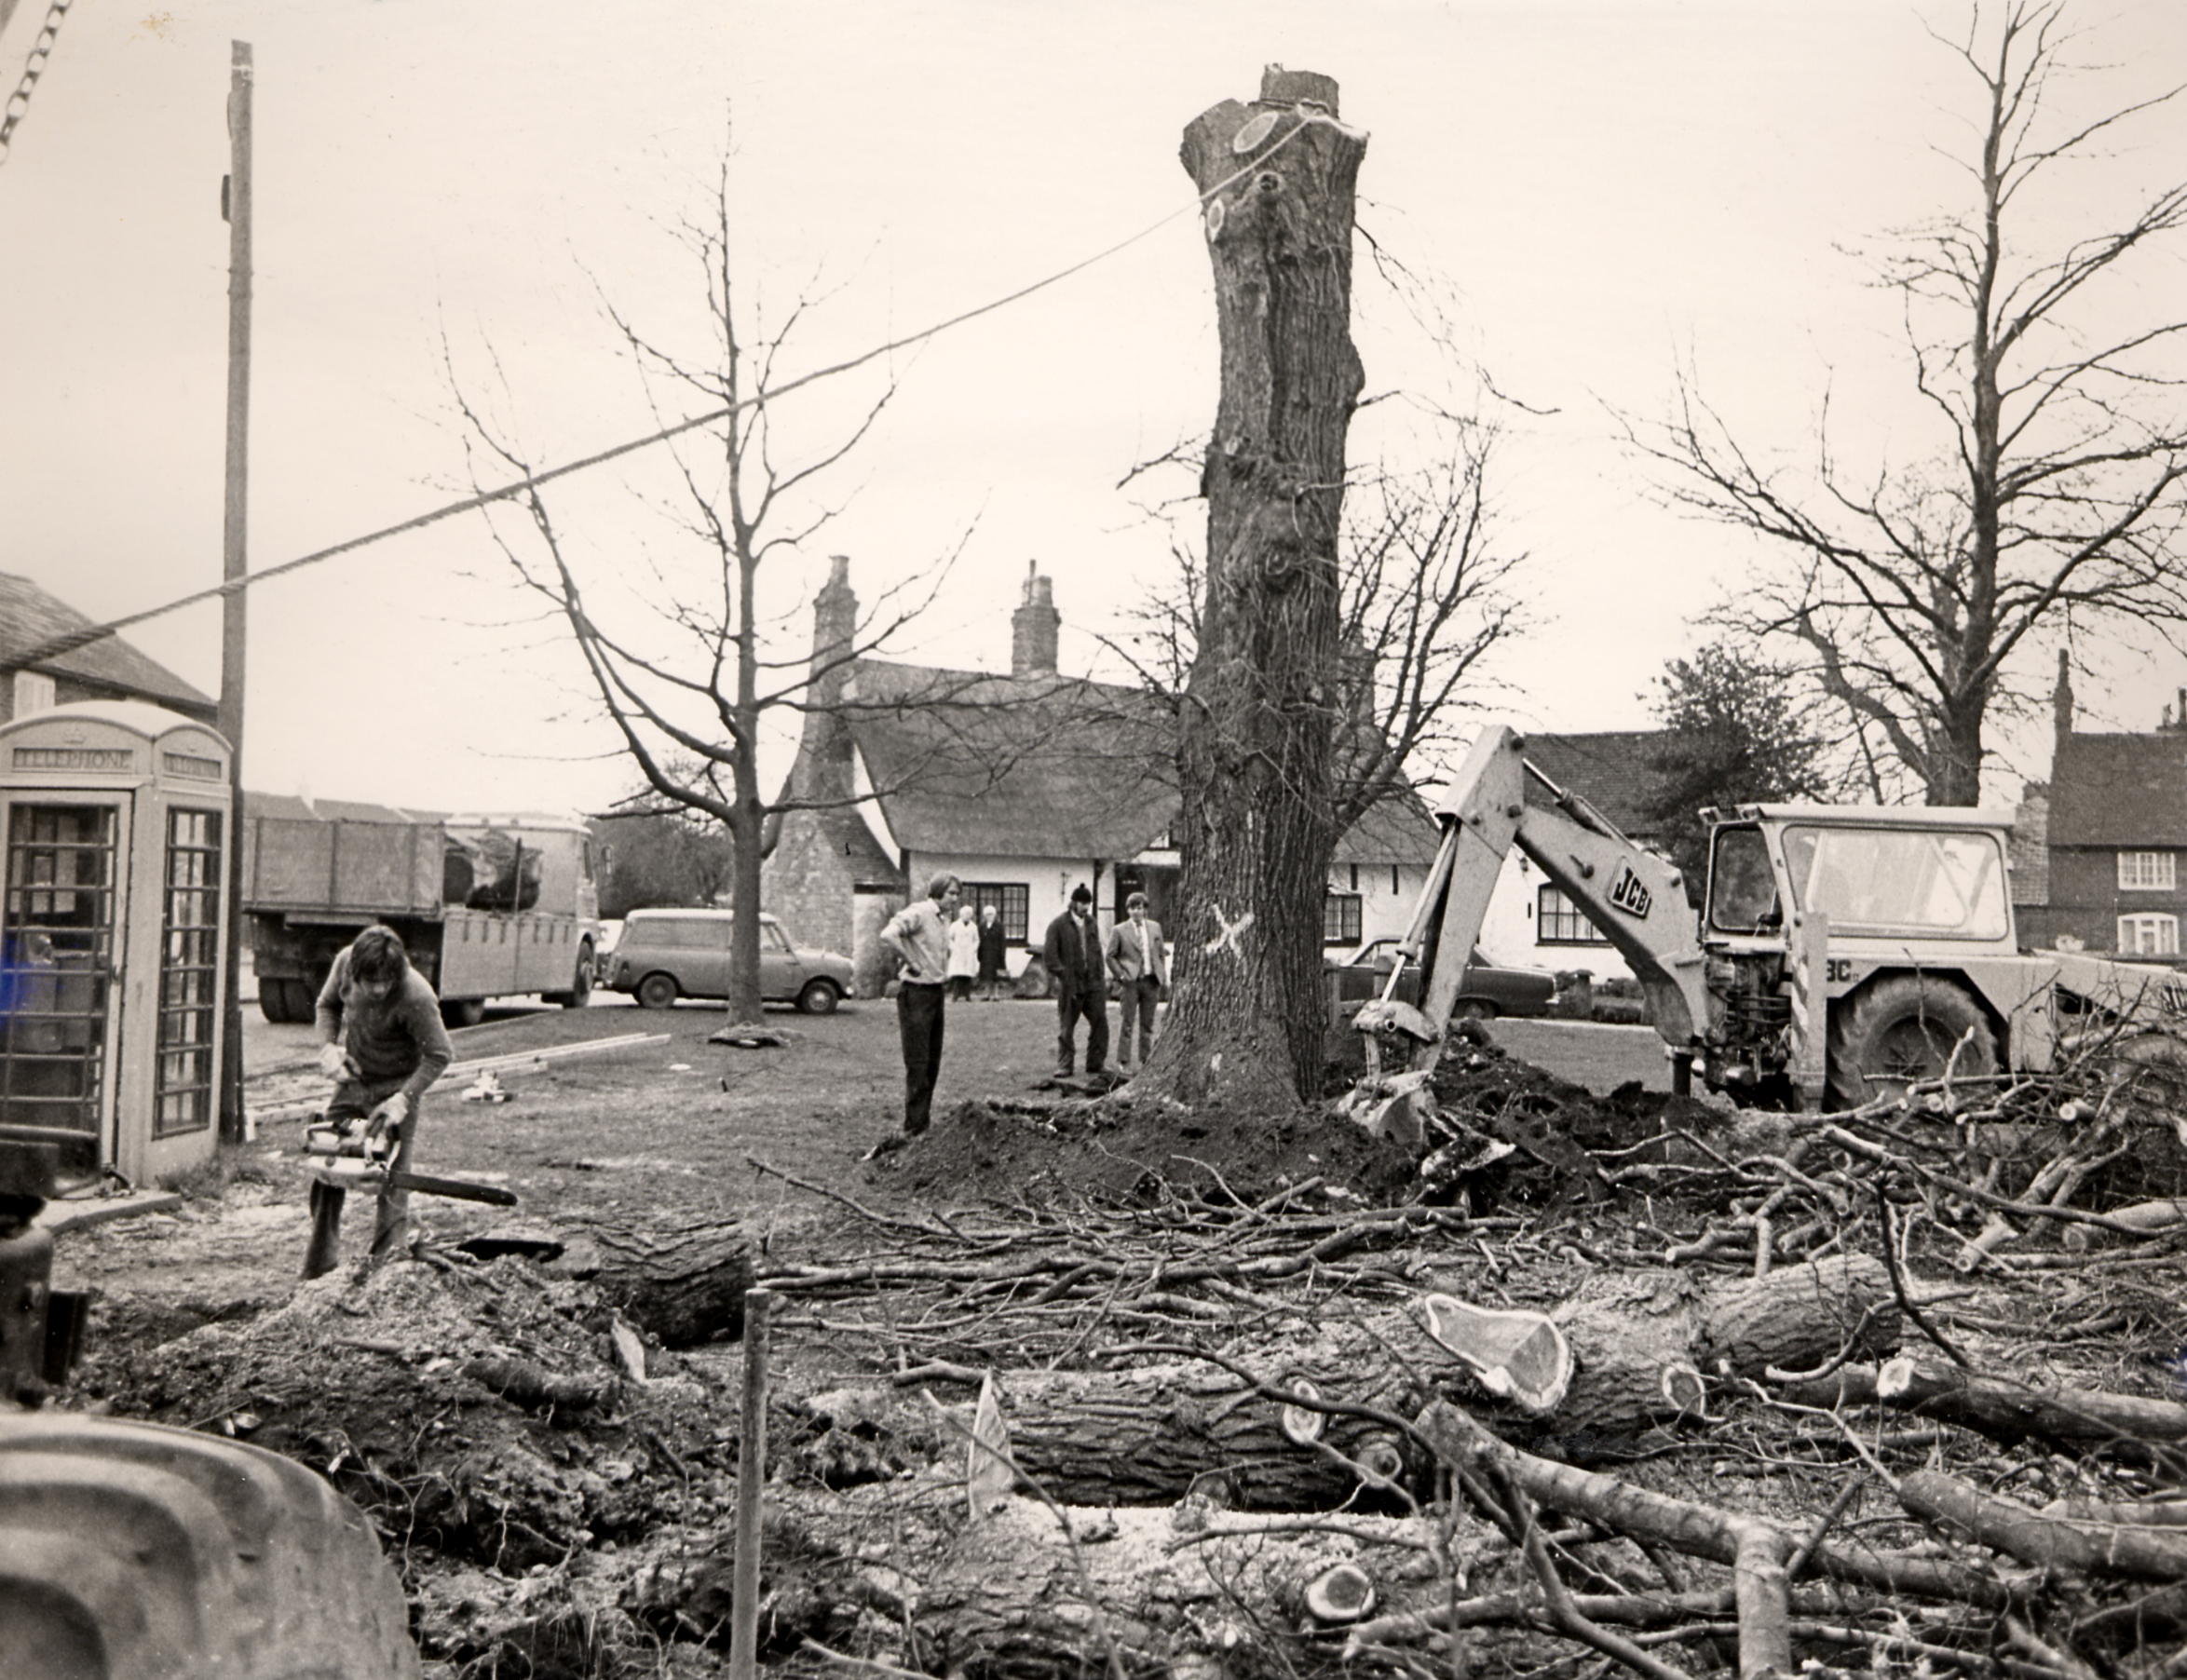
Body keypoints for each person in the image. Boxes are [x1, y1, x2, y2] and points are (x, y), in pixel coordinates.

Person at [303, 924, 454, 1279]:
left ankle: (386, 1269)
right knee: (328, 1162)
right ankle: (318, 1267)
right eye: (371, 982)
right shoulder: (344, 963)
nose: (379, 989)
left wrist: (403, 1099)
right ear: (355, 972)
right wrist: (328, 1048)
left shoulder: (417, 996)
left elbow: (440, 1055)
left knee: (393, 1178)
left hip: (397, 1089)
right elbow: (327, 1006)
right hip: (353, 1081)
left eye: (387, 982)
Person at [872, 873, 960, 1156]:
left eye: (957, 894)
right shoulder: (920, 912)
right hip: (916, 994)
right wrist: (910, 960)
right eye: (951, 893)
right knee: (918, 1062)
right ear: (938, 892)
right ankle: (913, 1127)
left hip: (935, 993)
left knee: (932, 1062)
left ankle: (923, 1123)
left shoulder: (944, 919)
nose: (955, 899)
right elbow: (888, 934)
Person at [1040, 884, 1108, 1078]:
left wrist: (1100, 975)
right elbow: (1050, 957)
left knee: (1100, 1022)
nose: (1085, 907)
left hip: (1093, 983)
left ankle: (1095, 1063)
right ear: (1073, 903)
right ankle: (1065, 1065)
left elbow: (1096, 951)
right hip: (1071, 985)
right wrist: (1064, 975)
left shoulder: (1092, 923)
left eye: (1088, 903)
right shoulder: (1058, 925)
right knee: (1067, 1026)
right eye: (1082, 903)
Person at [1104, 890, 1167, 1073]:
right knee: (1127, 1023)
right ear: (1128, 910)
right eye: (1132, 908)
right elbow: (1110, 956)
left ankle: (1145, 1060)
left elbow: (1160, 952)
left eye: (1139, 908)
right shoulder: (1119, 930)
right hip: (1130, 983)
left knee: (1147, 1024)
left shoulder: (1155, 927)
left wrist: (1160, 973)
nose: (1136, 912)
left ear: (1145, 909)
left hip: (1150, 981)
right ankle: (1123, 1061)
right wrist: (1122, 976)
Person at [945, 902, 980, 1001]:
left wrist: (974, 949)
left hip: (969, 953)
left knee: (967, 975)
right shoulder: (955, 925)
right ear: (961, 915)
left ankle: (967, 995)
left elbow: (976, 939)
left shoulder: (973, 926)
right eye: (966, 914)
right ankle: (955, 995)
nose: (967, 916)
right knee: (958, 975)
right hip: (958, 953)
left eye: (969, 914)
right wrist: (953, 948)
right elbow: (949, 938)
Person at [975, 903, 1009, 1001]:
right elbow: (979, 940)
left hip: (996, 954)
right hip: (985, 954)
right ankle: (986, 994)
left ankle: (996, 995)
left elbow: (1002, 941)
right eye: (987, 914)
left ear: (994, 915)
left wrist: (1002, 954)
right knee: (986, 976)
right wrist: (979, 954)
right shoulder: (981, 926)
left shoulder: (1000, 926)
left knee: (996, 976)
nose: (989, 916)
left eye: (991, 914)